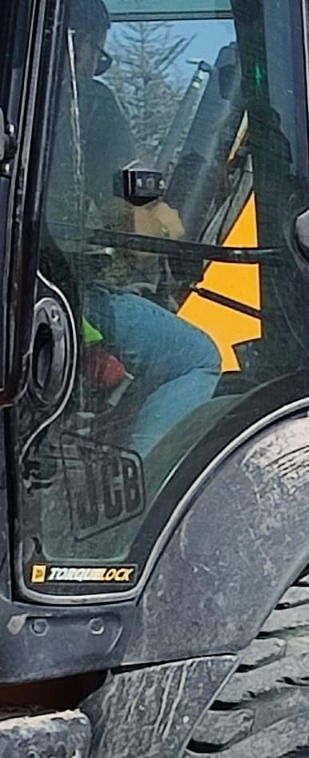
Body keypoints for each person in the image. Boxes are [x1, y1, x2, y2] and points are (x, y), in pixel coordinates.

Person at [56, 0, 221, 456]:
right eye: (101, 56)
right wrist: (167, 218)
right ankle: (142, 492)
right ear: (80, 45)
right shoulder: (86, 99)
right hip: (56, 300)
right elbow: (139, 222)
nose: (96, 67)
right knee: (197, 358)